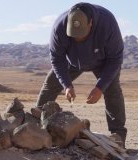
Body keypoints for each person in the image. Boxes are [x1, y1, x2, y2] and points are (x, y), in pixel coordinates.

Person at [35, 2, 127, 147]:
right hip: (71, 61)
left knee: (113, 91)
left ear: (91, 23)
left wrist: (100, 87)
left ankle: (118, 137)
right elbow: (57, 59)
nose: (77, 39)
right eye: (74, 36)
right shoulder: (59, 27)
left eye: (81, 36)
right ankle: (33, 129)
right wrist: (66, 84)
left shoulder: (107, 23)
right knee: (50, 85)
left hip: (103, 61)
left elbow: (115, 60)